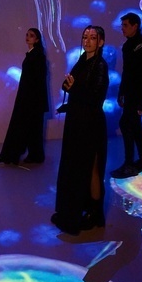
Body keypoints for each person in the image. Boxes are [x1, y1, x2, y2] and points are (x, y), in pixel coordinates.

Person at [52, 25, 109, 235]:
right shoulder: (82, 60)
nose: (87, 41)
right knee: (75, 167)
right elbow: (71, 86)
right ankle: (81, 210)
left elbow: (95, 97)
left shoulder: (100, 65)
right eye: (85, 37)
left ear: (101, 42)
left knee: (91, 169)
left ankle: (96, 215)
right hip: (76, 122)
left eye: (93, 38)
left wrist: (74, 88)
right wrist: (68, 88)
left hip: (90, 124)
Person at [0, 28, 50, 165]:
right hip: (29, 98)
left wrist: (31, 99)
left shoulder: (38, 56)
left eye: (31, 35)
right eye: (27, 35)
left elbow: (38, 79)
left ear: (37, 39)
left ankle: (14, 155)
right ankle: (27, 155)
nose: (28, 37)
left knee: (25, 127)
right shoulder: (33, 54)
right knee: (32, 128)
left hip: (31, 99)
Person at [111, 13, 142, 179]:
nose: (122, 28)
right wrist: (121, 92)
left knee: (126, 124)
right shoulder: (127, 46)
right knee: (135, 127)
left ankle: (129, 164)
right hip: (130, 94)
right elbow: (126, 72)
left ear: (135, 26)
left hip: (138, 95)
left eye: (125, 25)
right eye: (122, 25)